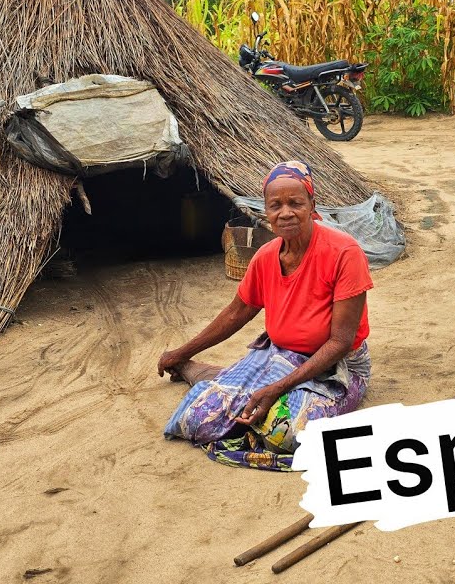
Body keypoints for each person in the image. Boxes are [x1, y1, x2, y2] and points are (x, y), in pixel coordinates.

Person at [159, 160, 373, 470]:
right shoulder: (265, 257)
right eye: (276, 205)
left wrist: (278, 388)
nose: (286, 213)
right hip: (277, 354)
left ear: (312, 205)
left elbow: (340, 342)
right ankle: (195, 369)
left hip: (336, 366)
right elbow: (236, 313)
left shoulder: (344, 253)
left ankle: (232, 380)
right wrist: (181, 352)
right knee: (196, 420)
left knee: (287, 434)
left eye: (295, 203)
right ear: (266, 212)